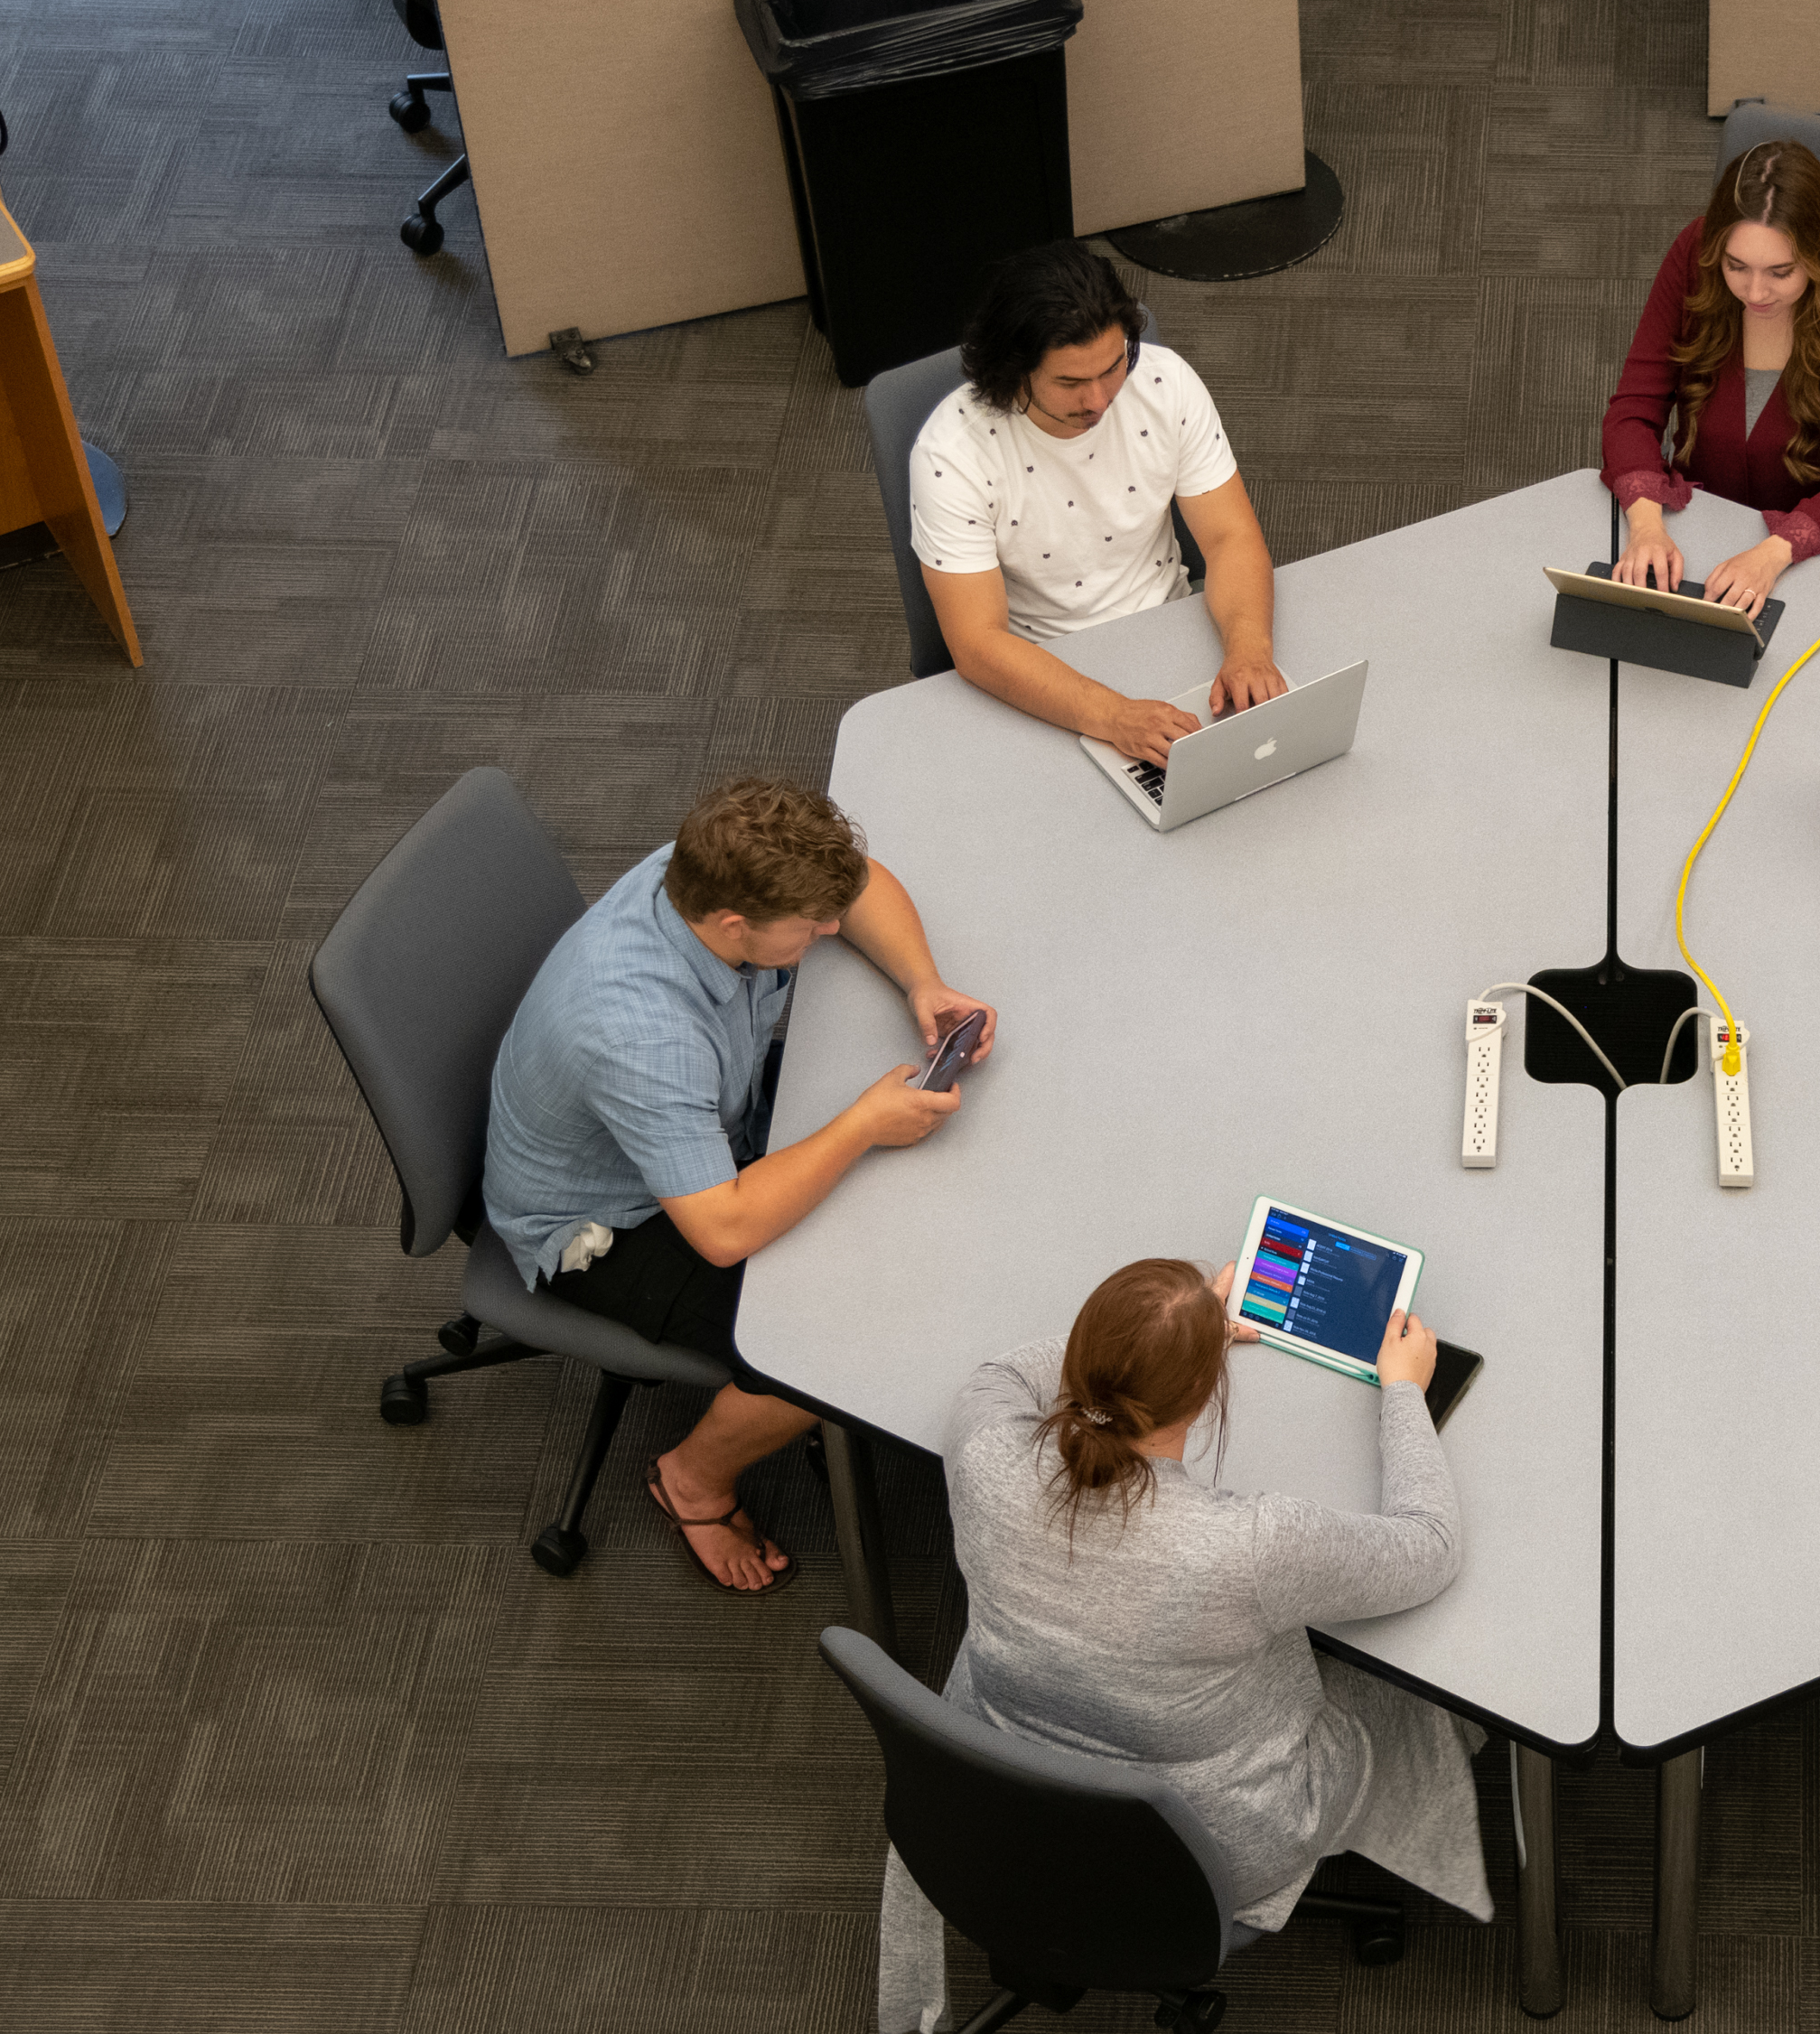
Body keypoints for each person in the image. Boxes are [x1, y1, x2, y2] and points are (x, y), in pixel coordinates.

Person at [483, 776, 993, 1594]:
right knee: (835, 1351)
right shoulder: (646, 1036)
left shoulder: (705, 871)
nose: (830, 929)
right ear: (734, 924)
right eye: (811, 926)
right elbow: (723, 1228)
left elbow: (861, 889)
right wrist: (861, 1123)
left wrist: (922, 983)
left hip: (707, 1126)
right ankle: (693, 1477)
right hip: (613, 1223)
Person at [926, 1257, 1490, 1936]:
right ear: (1205, 1392)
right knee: (1439, 1692)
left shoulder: (986, 1453)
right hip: (1206, 1850)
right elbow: (1429, 1545)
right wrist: (1404, 1389)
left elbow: (1000, 1376)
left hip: (1009, 1785)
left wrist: (1145, 1344)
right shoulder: (1249, 1543)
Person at [906, 241, 1284, 769]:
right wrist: (1115, 717)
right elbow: (976, 643)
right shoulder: (952, 453)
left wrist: (1249, 650)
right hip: (1048, 677)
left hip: (1177, 632)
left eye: (1112, 367)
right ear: (1014, 370)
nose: (1100, 400)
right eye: (1070, 382)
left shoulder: (1164, 381)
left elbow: (1230, 538)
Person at [1601, 138, 1820, 614]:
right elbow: (1633, 409)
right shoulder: (1694, 253)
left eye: (1781, 272)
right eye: (1736, 266)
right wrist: (1646, 525)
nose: (1755, 291)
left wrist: (1772, 554)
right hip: (1704, 506)